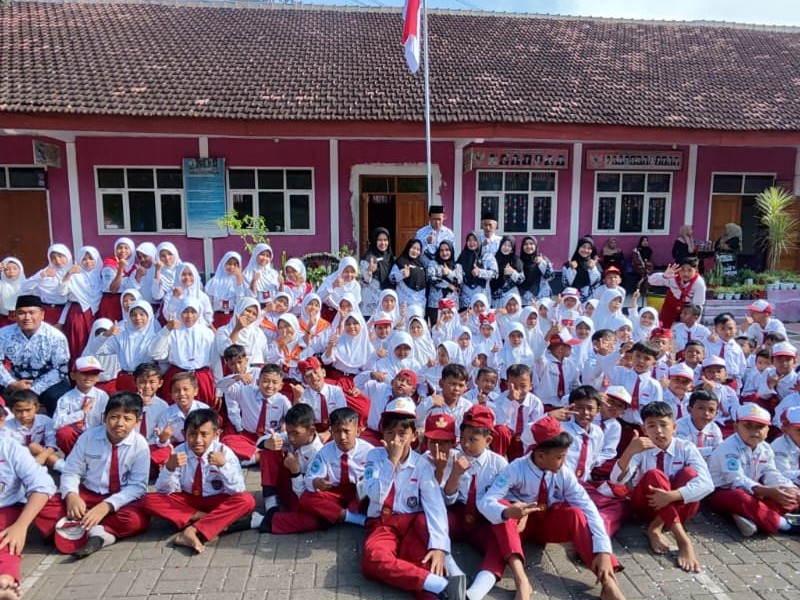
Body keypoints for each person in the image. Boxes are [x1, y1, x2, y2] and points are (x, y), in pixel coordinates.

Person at [479, 416, 625, 600]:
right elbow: (487, 501)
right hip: (519, 527)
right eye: (559, 457)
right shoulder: (516, 468)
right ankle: (521, 580)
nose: (563, 462)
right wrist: (509, 511)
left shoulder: (563, 472)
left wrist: (603, 550)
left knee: (576, 514)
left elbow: (587, 506)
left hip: (546, 522)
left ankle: (608, 582)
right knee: (503, 511)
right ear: (541, 456)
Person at [360, 397, 468, 599]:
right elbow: (375, 496)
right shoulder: (374, 457)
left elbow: (435, 506)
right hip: (383, 523)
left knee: (425, 562)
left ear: (413, 436)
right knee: (372, 560)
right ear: (382, 433)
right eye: (390, 433)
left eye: (402, 434)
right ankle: (439, 584)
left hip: (410, 523)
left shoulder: (422, 464)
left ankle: (440, 586)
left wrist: (439, 547)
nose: (396, 440)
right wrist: (391, 462)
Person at [35, 392, 151, 558]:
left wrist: (106, 506)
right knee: (42, 505)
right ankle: (99, 530)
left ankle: (88, 530)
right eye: (114, 417)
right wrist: (72, 496)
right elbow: (72, 471)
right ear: (104, 417)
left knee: (136, 520)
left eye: (127, 419)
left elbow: (138, 486)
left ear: (137, 422)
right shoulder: (88, 437)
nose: (119, 423)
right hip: (88, 495)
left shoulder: (140, 445)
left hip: (120, 499)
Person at [611, 401, 713, 572]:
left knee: (690, 474)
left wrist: (673, 496)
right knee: (654, 475)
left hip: (680, 510)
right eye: (651, 426)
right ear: (644, 430)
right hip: (648, 507)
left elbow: (707, 484)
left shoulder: (685, 447)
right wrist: (629, 451)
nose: (658, 431)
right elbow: (616, 481)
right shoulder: (641, 449)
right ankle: (683, 541)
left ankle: (655, 528)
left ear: (674, 427)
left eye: (664, 425)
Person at [443, 404, 531, 600]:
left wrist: (521, 514)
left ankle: (476, 592)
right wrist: (455, 474)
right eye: (463, 439)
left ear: (488, 440)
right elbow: (447, 500)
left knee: (500, 540)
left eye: (472, 440)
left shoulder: (498, 463)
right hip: (457, 515)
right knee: (425, 522)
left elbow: (510, 496)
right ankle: (453, 571)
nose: (465, 445)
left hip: (483, 521)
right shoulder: (453, 458)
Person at [142, 408, 255, 554]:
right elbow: (164, 491)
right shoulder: (179, 452)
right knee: (147, 500)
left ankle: (192, 531)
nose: (197, 441)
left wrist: (223, 466)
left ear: (216, 434)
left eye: (204, 434)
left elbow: (238, 489)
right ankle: (212, 521)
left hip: (216, 500)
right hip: (189, 501)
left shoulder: (224, 452)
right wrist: (169, 468)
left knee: (247, 500)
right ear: (184, 434)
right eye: (192, 434)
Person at [707, 403, 800, 536]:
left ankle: (751, 518)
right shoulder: (728, 448)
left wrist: (790, 488)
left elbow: (771, 473)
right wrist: (768, 491)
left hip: (754, 492)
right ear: (736, 427)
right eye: (748, 426)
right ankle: (784, 525)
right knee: (738, 497)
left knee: (790, 494)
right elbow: (736, 480)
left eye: (760, 427)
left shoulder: (765, 448)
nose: (755, 431)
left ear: (767, 430)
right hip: (723, 492)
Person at [0, 431, 55, 600]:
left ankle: (5, 580)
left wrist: (21, 526)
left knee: (6, 540)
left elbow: (43, 485)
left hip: (5, 509)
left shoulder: (9, 447)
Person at [0, 294, 70, 415]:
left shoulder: (56, 337)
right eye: (21, 313)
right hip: (15, 381)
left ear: (42, 314)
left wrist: (34, 389)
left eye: (32, 312)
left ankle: (55, 425)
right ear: (15, 315)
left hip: (47, 382)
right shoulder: (3, 334)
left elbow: (60, 370)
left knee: (58, 396)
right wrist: (11, 383)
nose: (27, 317)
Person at [53, 356, 110, 456]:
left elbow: (106, 421)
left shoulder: (102, 396)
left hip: (96, 434)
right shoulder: (66, 398)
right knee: (64, 433)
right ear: (73, 375)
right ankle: (72, 458)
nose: (89, 377)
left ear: (98, 377)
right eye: (84, 373)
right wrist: (81, 413)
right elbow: (56, 423)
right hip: (76, 435)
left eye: (94, 373)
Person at [20, 244, 72, 326]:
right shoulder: (45, 272)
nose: (57, 260)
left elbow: (70, 300)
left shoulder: (73, 274)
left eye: (60, 256)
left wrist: (61, 322)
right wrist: (41, 275)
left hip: (65, 314)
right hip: (44, 313)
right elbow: (24, 288)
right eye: (53, 258)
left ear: (67, 256)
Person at [648, 258, 706, 329]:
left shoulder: (699, 283)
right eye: (682, 270)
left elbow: (698, 305)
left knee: (687, 327)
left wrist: (694, 325)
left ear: (696, 270)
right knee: (663, 326)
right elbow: (650, 281)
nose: (685, 274)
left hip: (688, 306)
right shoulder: (672, 276)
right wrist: (664, 276)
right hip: (671, 303)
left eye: (689, 270)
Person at [206, 251, 248, 328]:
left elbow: (241, 302)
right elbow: (208, 304)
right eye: (229, 263)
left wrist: (239, 281)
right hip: (217, 318)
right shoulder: (213, 282)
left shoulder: (242, 282)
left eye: (235, 265)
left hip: (234, 317)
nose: (232, 267)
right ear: (223, 263)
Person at [456, 232, 497, 312]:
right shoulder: (462, 257)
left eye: (474, 240)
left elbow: (495, 274)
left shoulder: (487, 256)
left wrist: (480, 272)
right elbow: (458, 277)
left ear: (479, 241)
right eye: (469, 240)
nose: (472, 242)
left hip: (482, 296)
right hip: (466, 298)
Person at [97, 237, 135, 321]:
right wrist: (120, 269)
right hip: (112, 302)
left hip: (127, 303)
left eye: (126, 248)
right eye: (119, 248)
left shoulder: (134, 267)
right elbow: (113, 289)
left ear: (132, 250)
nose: (123, 251)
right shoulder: (109, 264)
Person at [360, 227, 395, 318]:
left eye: (385, 240)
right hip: (370, 305)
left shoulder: (390, 257)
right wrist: (369, 272)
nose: (383, 243)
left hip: (387, 304)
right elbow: (365, 280)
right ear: (374, 240)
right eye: (379, 240)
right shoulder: (368, 258)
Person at [426, 241, 462, 325]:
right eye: (441, 250)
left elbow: (459, 281)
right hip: (435, 304)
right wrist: (448, 285)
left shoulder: (457, 266)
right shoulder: (433, 264)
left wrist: (448, 273)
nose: (444, 253)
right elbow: (430, 278)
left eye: (447, 250)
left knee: (451, 329)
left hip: (452, 304)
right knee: (436, 329)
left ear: (451, 251)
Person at [390, 239, 428, 309]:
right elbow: (391, 278)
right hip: (404, 303)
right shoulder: (401, 261)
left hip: (419, 304)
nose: (415, 251)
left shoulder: (421, 265)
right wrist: (402, 274)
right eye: (413, 248)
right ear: (408, 248)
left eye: (418, 249)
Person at [563, 236, 602, 302]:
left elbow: (596, 284)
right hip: (572, 301)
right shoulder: (569, 264)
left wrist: (593, 269)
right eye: (583, 247)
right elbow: (565, 284)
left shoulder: (595, 265)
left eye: (589, 248)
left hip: (589, 301)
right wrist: (571, 270)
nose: (586, 250)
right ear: (578, 247)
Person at [489, 236, 524, 307]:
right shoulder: (493, 259)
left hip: (510, 297)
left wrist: (512, 272)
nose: (506, 247)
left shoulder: (516, 260)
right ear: (500, 245)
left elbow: (521, 279)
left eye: (509, 246)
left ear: (512, 249)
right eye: (504, 244)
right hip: (495, 298)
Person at [518, 236, 553, 302]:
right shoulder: (519, 261)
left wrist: (541, 263)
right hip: (522, 297)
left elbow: (550, 276)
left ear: (536, 246)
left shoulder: (543, 259)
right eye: (525, 244)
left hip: (540, 296)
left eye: (531, 244)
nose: (528, 246)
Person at [0, 257, 25, 328]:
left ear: (20, 269)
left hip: (23, 320)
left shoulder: (27, 285)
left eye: (15, 268)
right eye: (7, 269)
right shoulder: (1, 285)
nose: (11, 271)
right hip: (3, 320)